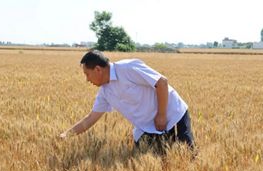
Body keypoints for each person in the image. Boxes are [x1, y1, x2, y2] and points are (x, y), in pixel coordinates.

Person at [60, 50, 195, 154]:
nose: (87, 80)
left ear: (98, 70)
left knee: (188, 154)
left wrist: (161, 114)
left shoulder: (127, 68)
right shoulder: (105, 92)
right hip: (149, 127)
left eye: (87, 74)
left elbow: (162, 82)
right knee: (156, 159)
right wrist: (66, 135)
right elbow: (90, 119)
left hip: (172, 113)